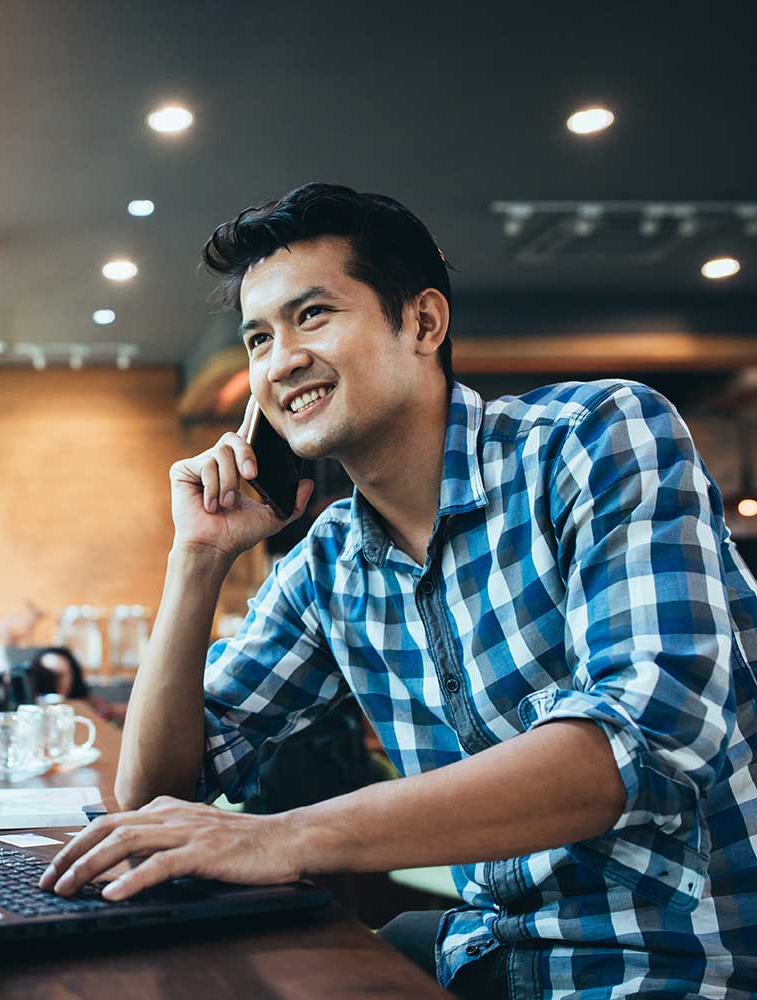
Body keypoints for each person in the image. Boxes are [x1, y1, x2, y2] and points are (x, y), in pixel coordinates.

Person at [39, 183, 757, 998]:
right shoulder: (329, 562)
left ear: (422, 322)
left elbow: (644, 739)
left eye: (312, 316)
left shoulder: (595, 439)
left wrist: (289, 838)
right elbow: (157, 791)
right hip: (492, 957)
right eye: (257, 337)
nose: (281, 362)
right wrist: (195, 559)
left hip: (674, 966)